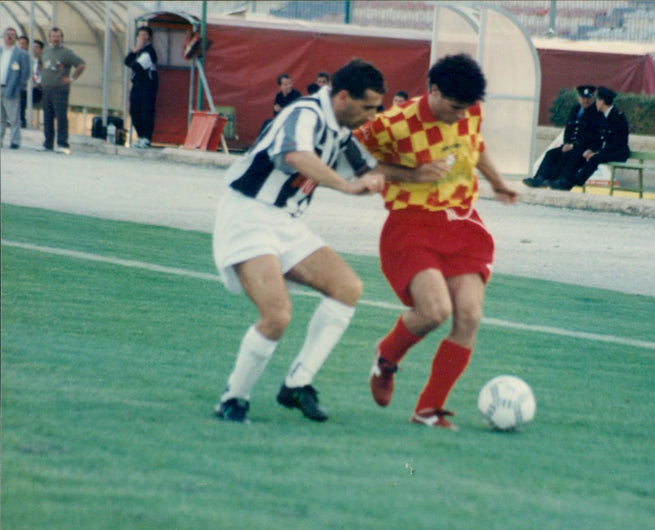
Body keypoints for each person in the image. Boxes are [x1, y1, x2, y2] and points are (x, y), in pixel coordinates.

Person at [212, 59, 387, 424]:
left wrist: (421, 173)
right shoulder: (304, 112)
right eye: (367, 107)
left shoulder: (340, 129)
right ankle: (234, 399)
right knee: (277, 316)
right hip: (249, 215)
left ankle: (297, 383)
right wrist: (345, 185)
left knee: (347, 287)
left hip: (284, 221)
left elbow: (368, 170)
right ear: (342, 97)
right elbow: (294, 154)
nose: (371, 116)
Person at [355, 54, 518, 431]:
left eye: (467, 109)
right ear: (434, 90)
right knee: (434, 311)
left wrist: (495, 181)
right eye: (455, 108)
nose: (462, 116)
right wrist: (410, 174)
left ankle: (428, 409)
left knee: (470, 315)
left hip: (462, 224)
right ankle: (386, 357)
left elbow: (475, 146)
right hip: (412, 224)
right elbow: (353, 161)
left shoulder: (469, 111)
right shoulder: (393, 123)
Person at [551, 86, 630, 191]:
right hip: (608, 150)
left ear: (602, 102)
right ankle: (563, 180)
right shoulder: (606, 116)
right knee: (582, 154)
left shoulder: (617, 117)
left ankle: (574, 182)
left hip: (618, 152)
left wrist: (598, 153)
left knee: (594, 158)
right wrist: (593, 150)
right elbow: (603, 140)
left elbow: (616, 143)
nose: (596, 103)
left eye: (597, 100)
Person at [523, 85, 603, 188]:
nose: (585, 101)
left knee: (571, 156)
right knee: (551, 154)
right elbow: (569, 129)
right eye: (583, 98)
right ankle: (540, 178)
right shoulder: (575, 110)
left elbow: (592, 135)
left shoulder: (597, 113)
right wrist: (567, 143)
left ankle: (562, 182)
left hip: (585, 148)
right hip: (571, 146)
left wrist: (573, 146)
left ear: (593, 98)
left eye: (588, 98)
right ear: (578, 98)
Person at [39, 27, 85, 152]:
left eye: (58, 36)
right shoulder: (46, 52)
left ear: (61, 38)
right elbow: (39, 63)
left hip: (60, 90)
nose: (55, 39)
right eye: (53, 36)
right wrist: (39, 77)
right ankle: (48, 144)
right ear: (49, 38)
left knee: (61, 117)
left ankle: (62, 144)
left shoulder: (66, 53)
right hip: (46, 89)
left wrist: (71, 78)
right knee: (47, 117)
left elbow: (81, 64)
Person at [125, 26, 158, 148]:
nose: (143, 37)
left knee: (146, 111)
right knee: (134, 110)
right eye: (141, 35)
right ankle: (140, 136)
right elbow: (127, 61)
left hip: (147, 85)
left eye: (145, 35)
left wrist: (133, 59)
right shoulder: (139, 50)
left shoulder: (149, 51)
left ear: (149, 37)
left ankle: (146, 137)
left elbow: (136, 66)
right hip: (137, 84)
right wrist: (134, 51)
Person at [1, 27, 30, 150]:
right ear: (3, 37)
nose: (9, 37)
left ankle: (15, 141)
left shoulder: (21, 54)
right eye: (7, 34)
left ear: (16, 38)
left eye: (12, 35)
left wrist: (18, 88)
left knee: (13, 118)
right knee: (0, 118)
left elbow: (25, 73)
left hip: (11, 89)